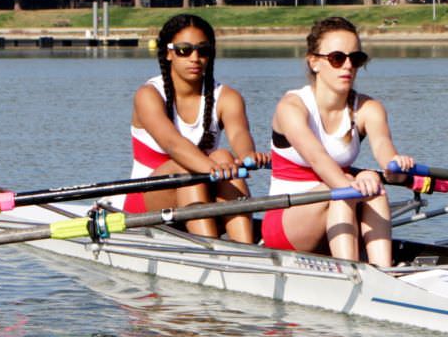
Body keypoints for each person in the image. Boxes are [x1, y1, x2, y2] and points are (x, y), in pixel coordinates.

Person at [263, 17, 411, 266]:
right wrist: (356, 181)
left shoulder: (369, 108)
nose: (348, 66)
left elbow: (384, 150)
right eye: (337, 58)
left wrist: (396, 167)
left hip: (339, 207)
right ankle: (350, 274)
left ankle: (385, 272)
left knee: (373, 187)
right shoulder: (292, 106)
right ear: (314, 62)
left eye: (356, 59)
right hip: (287, 223)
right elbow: (318, 159)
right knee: (345, 190)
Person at [125, 14, 268, 241]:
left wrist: (247, 155)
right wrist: (214, 170)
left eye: (203, 51)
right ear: (168, 53)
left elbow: (240, 133)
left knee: (224, 155)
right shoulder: (149, 95)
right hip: (146, 202)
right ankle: (211, 250)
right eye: (184, 50)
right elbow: (174, 144)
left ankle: (244, 246)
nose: (195, 58)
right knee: (188, 167)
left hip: (202, 191)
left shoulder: (228, 97)